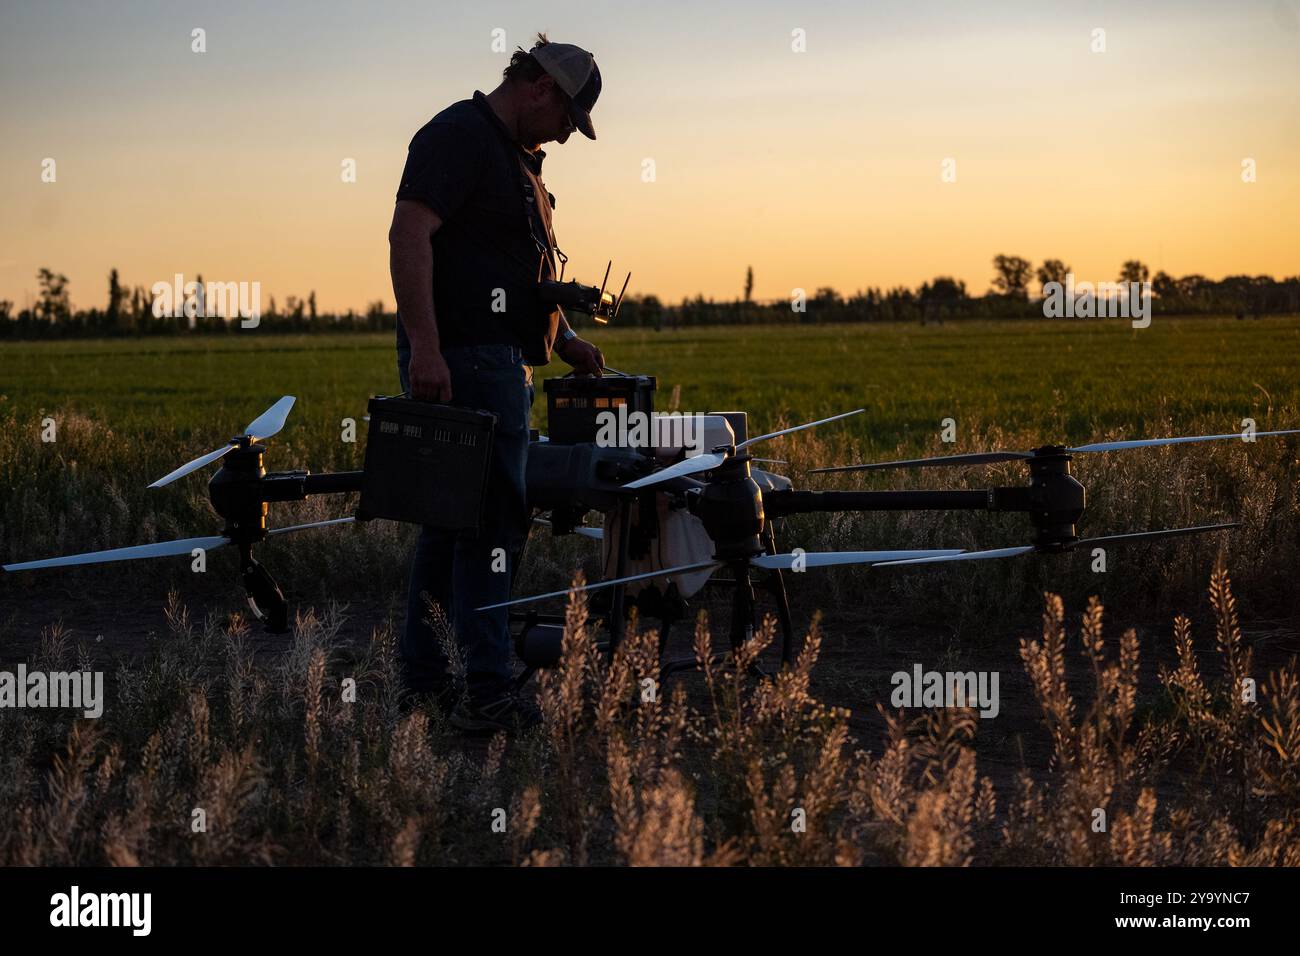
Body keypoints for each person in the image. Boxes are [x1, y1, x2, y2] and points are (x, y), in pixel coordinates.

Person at [388, 35, 605, 732]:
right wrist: (426, 348)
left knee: (452, 528)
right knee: (492, 526)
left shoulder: (519, 164)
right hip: (466, 360)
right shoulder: (458, 135)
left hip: (496, 358)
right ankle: (487, 691)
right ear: (541, 86)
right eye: (569, 120)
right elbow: (407, 235)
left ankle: (426, 685)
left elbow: (519, 275)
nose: (567, 137)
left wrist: (566, 338)